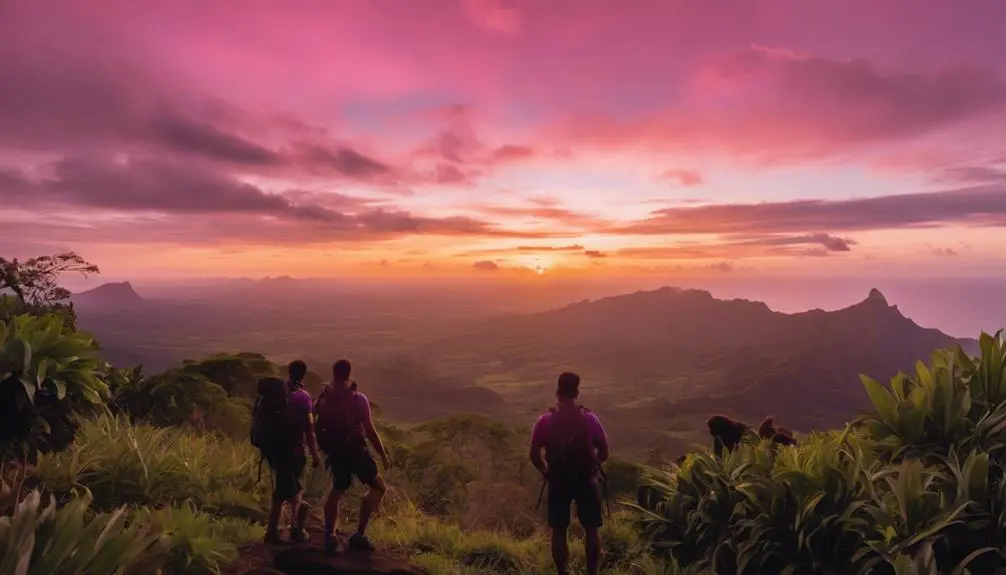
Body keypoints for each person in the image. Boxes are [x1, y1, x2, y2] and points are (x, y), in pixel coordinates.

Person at [529, 372, 610, 575]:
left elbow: (533, 454)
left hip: (558, 481)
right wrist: (593, 466)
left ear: (557, 393)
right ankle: (592, 573)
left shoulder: (544, 421)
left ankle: (562, 572)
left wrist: (546, 471)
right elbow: (605, 451)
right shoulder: (590, 419)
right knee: (591, 529)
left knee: (559, 530)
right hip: (585, 479)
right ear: (576, 392)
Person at [314, 359, 391, 555]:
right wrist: (382, 454)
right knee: (378, 487)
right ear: (349, 373)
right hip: (357, 450)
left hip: (336, 451)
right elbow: (370, 431)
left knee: (337, 490)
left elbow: (314, 420)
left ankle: (330, 537)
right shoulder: (359, 399)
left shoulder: (324, 397)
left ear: (334, 373)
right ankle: (359, 535)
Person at [261, 360, 321, 544]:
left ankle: (283, 529)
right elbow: (309, 430)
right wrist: (315, 453)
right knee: (290, 490)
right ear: (303, 375)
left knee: (287, 487)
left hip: (273, 449)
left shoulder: (276, 392)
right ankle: (289, 530)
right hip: (294, 451)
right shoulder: (303, 397)